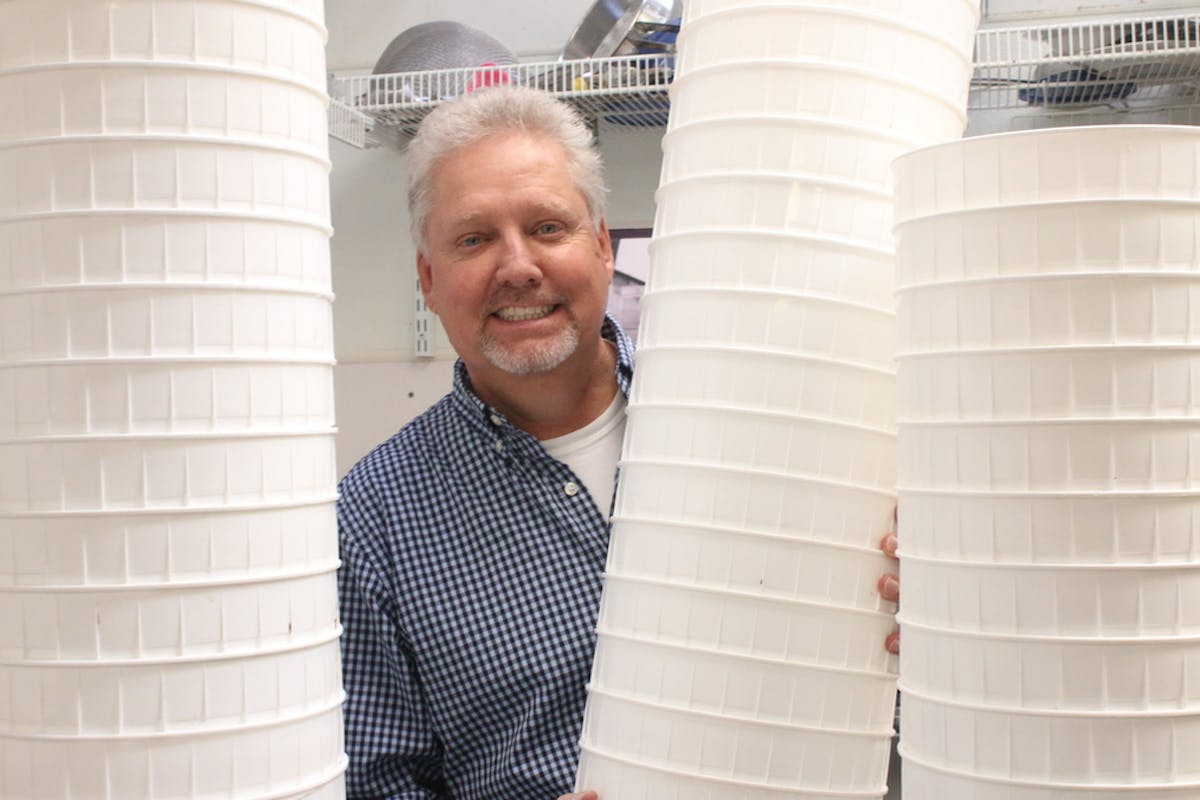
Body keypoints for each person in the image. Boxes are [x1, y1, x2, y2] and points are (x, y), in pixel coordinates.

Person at [336, 84, 900, 800]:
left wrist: (931, 612)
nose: (517, 267)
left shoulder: (762, 426)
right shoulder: (374, 521)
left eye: (547, 227)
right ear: (428, 279)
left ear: (602, 245)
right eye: (474, 239)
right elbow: (375, 785)